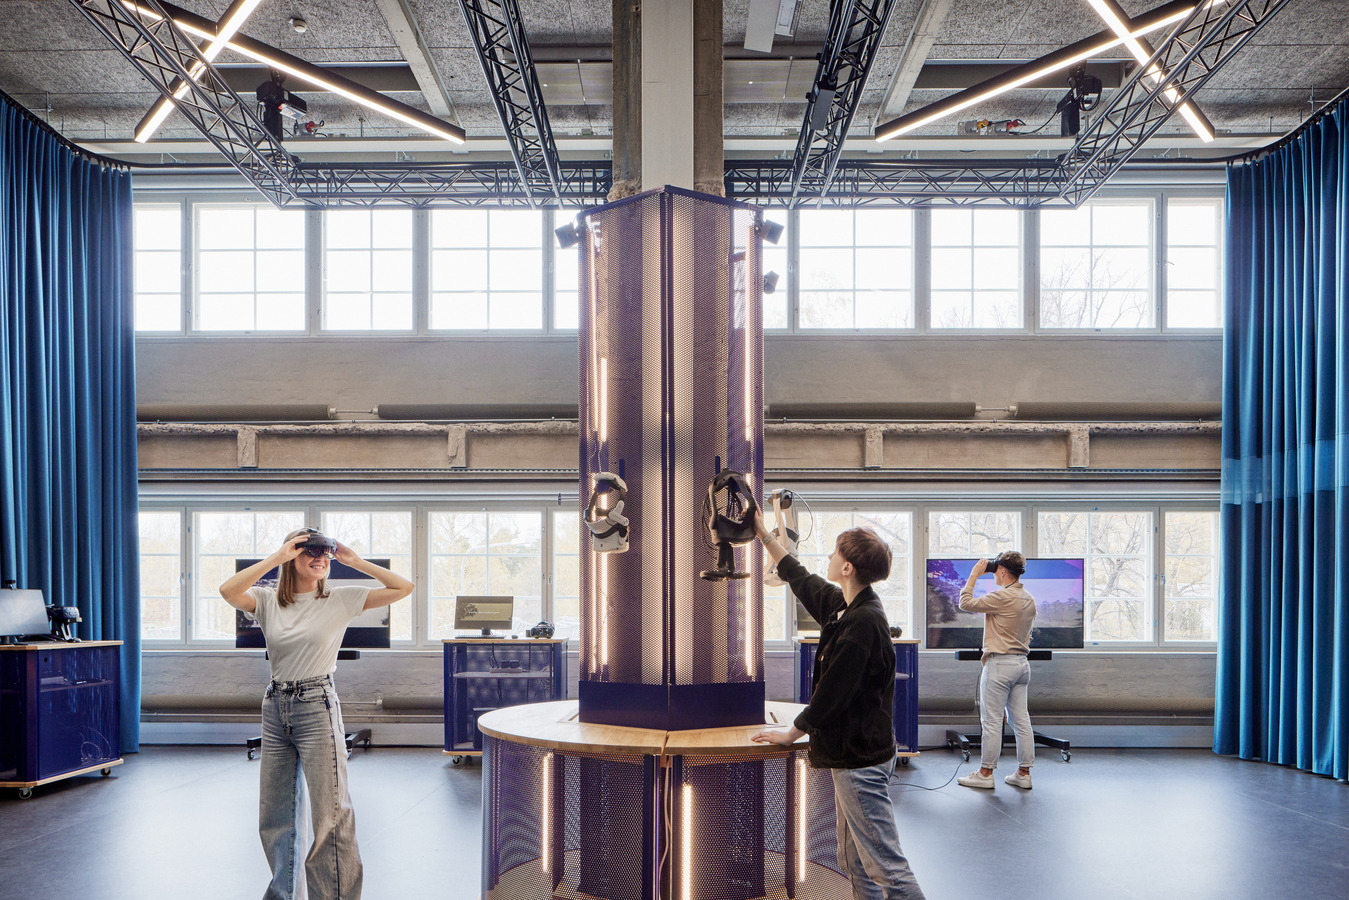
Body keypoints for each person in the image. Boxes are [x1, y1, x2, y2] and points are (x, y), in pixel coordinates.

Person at [220, 528, 415, 900]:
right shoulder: (265, 600)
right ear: (291, 556)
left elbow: (402, 587)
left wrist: (355, 562)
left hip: (317, 705)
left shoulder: (340, 599)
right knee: (276, 815)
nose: (320, 559)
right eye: (309, 552)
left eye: (325, 554)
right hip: (275, 706)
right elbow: (228, 591)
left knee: (331, 814)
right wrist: (275, 557)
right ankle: (282, 895)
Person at [750, 514, 926, 900]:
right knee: (853, 861)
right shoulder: (846, 607)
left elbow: (830, 696)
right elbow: (801, 579)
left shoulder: (863, 624)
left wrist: (790, 733)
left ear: (846, 567)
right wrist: (764, 534)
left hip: (859, 761)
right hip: (854, 756)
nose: (827, 558)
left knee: (886, 868)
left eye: (833, 553)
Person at [955, 552, 1037, 790]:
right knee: (1021, 721)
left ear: (1002, 571)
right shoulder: (1029, 598)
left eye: (995, 570)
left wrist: (974, 575)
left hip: (1000, 665)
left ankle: (985, 774)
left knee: (991, 721)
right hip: (1022, 664)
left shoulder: (1002, 596)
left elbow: (965, 602)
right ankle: (1023, 773)